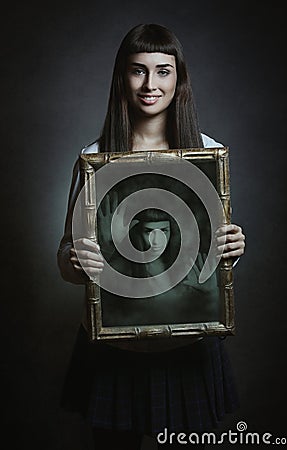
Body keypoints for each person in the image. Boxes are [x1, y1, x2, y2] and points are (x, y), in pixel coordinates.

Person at [57, 23, 245, 450]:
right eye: (138, 70)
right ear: (121, 78)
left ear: (180, 80)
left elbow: (213, 258)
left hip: (189, 345)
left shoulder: (208, 153)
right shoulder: (94, 158)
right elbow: (65, 258)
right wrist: (72, 260)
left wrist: (234, 247)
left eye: (163, 71)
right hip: (116, 347)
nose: (150, 84)